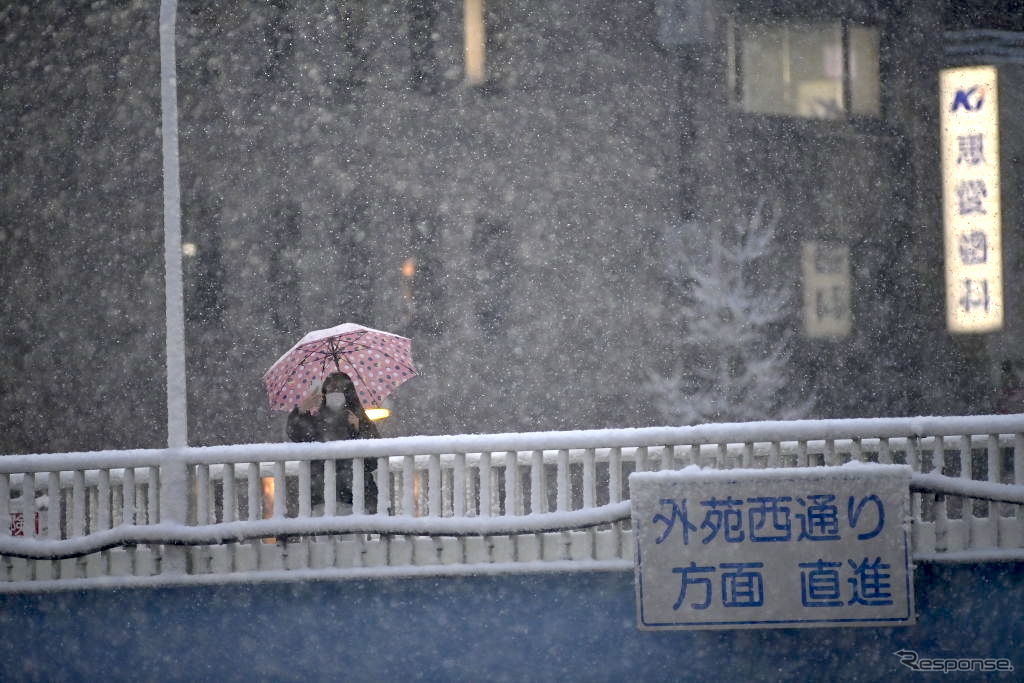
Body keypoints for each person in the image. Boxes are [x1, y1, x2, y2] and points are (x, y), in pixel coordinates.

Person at [287, 371, 380, 513]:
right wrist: (302, 409)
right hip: (321, 494)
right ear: (324, 393)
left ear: (348, 392)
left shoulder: (361, 420)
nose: (335, 392)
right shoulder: (316, 422)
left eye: (340, 388)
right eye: (330, 389)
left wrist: (358, 428)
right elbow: (295, 433)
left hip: (358, 495)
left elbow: (373, 459)